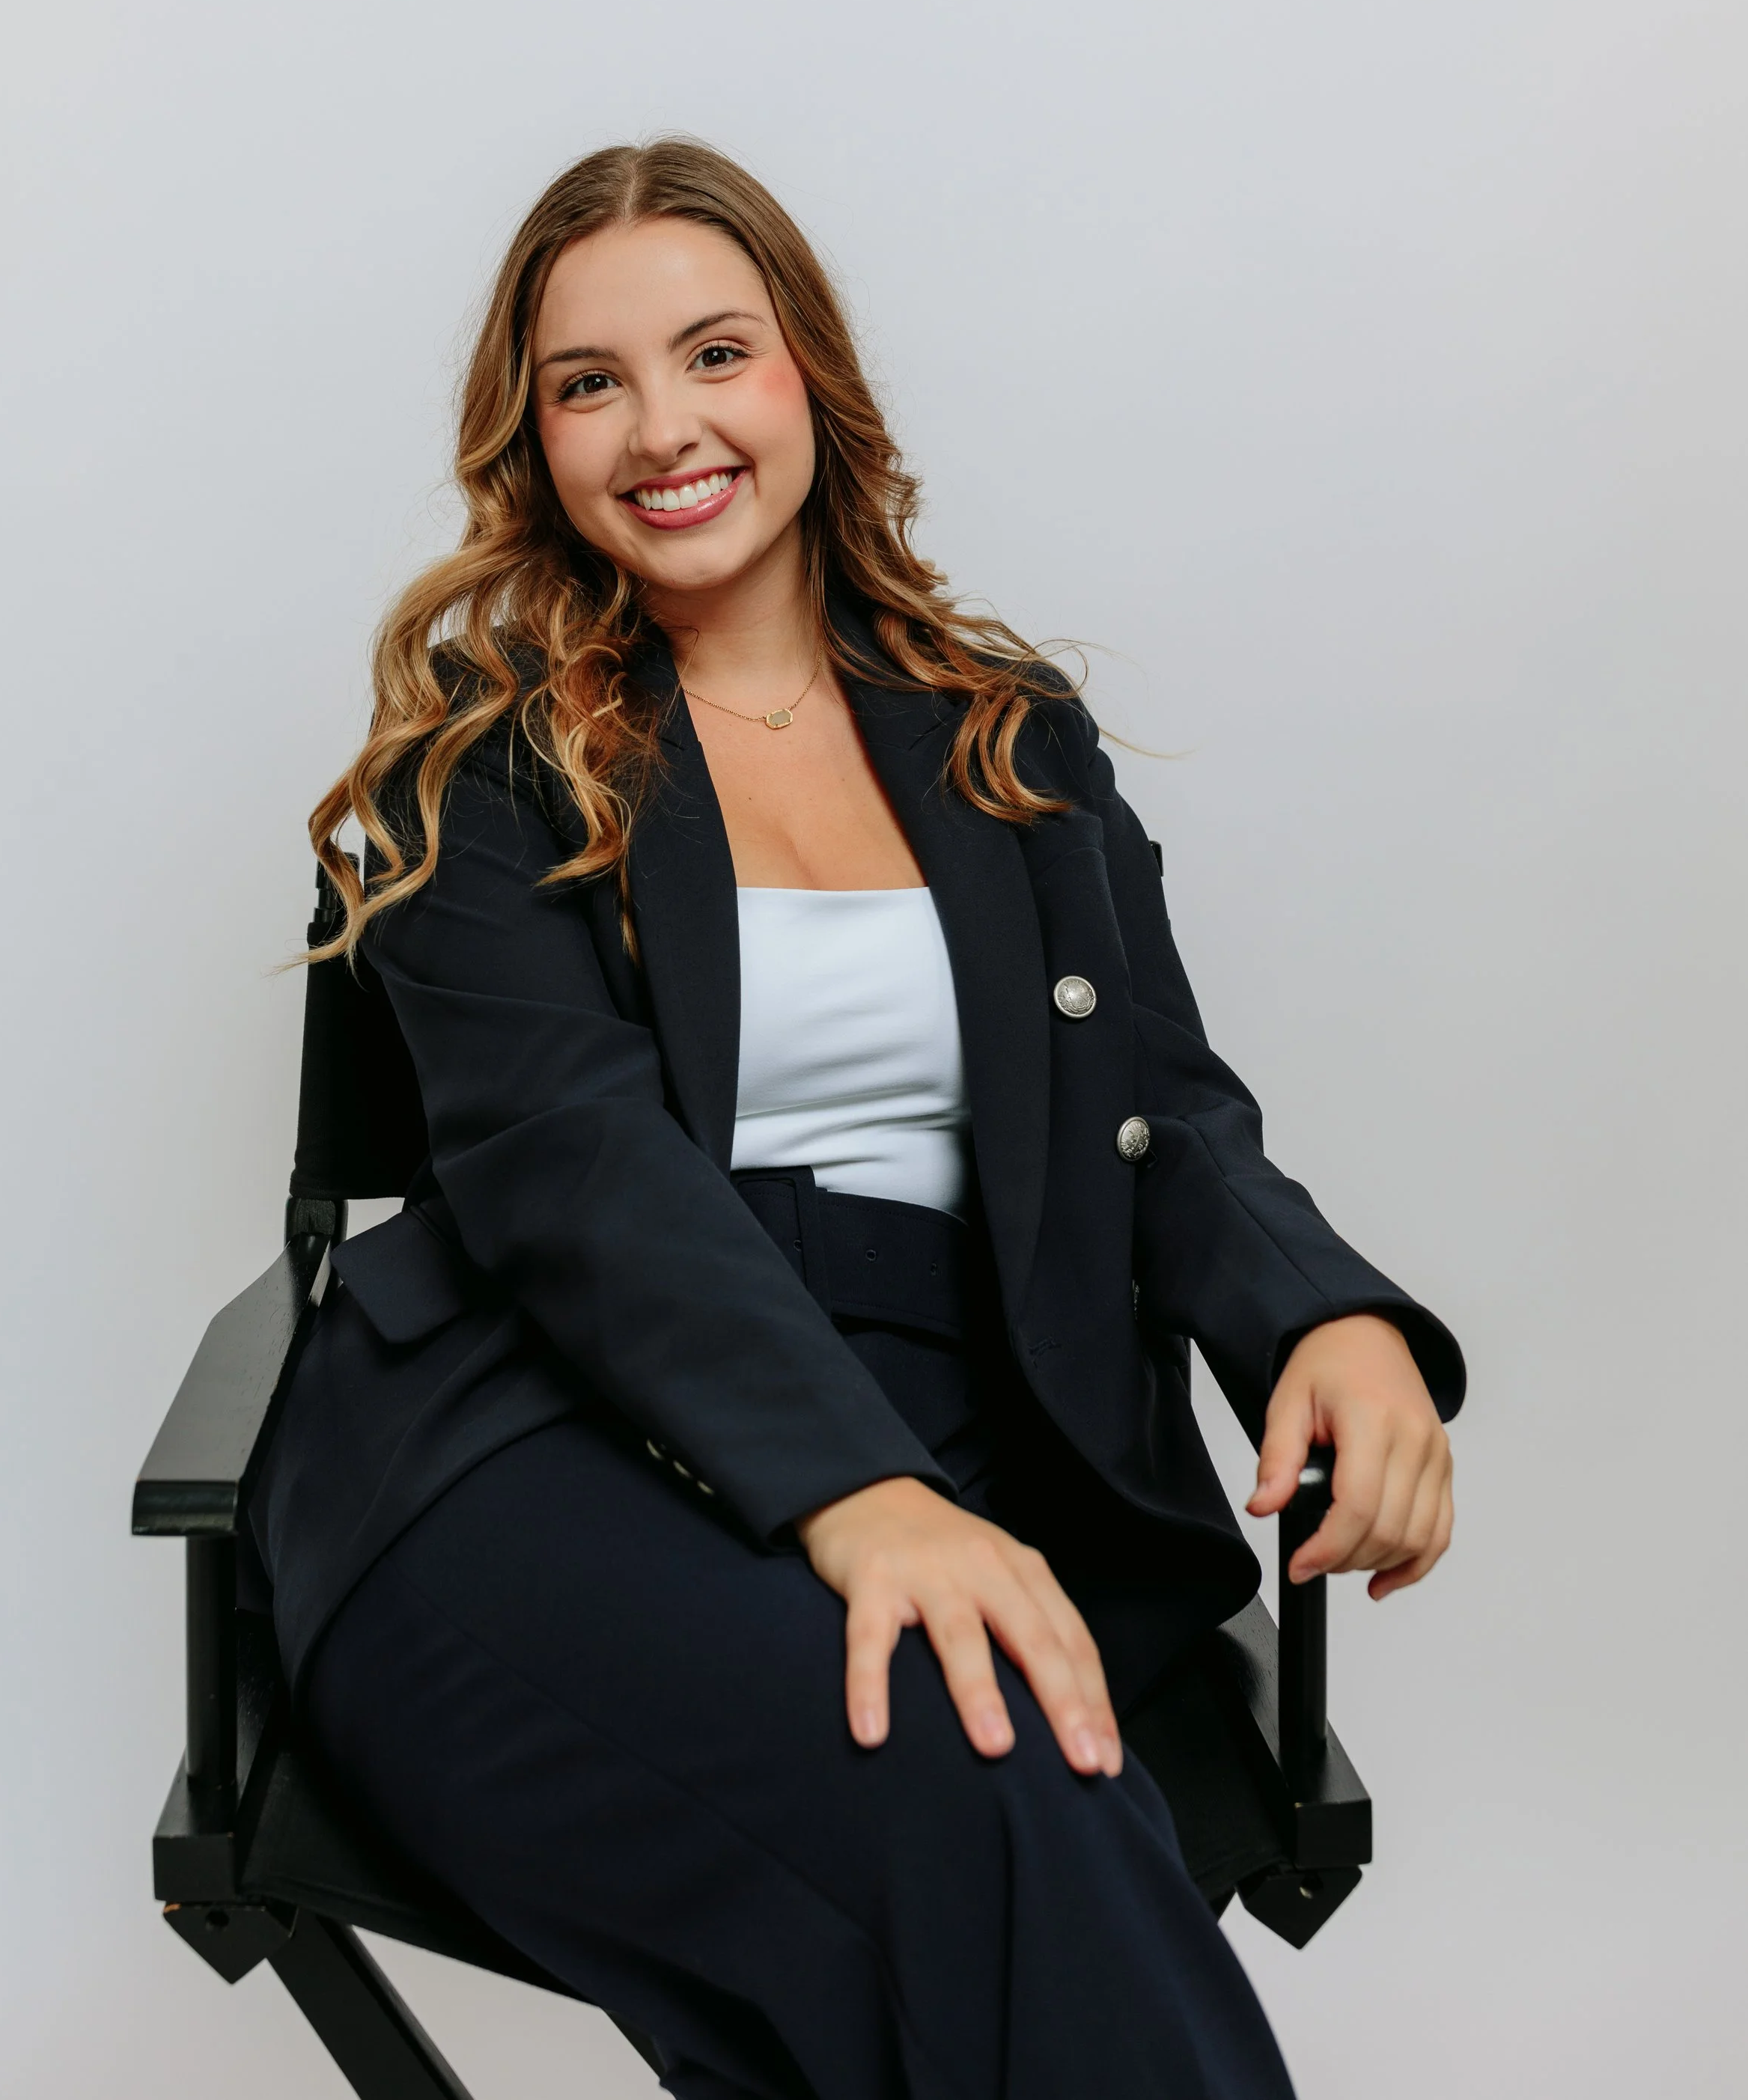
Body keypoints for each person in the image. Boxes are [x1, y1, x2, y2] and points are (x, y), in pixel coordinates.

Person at [254, 138, 1465, 2100]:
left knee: (976, 1835)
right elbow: (582, 1180)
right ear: (534, 441)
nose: (664, 427)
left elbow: (1162, 1108)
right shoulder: (479, 774)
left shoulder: (1003, 731)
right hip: (525, 1433)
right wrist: (860, 1494)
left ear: (808, 368)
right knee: (997, 1774)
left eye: (714, 352)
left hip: (969, 1403)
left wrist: (1323, 1319)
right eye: (589, 383)